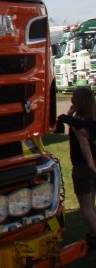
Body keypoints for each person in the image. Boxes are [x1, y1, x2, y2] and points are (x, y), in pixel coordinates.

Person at [55, 87, 96, 251]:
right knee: (91, 205)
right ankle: (93, 235)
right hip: (92, 165)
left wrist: (91, 165)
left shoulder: (78, 122)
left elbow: (84, 144)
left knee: (85, 207)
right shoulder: (90, 119)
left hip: (84, 167)